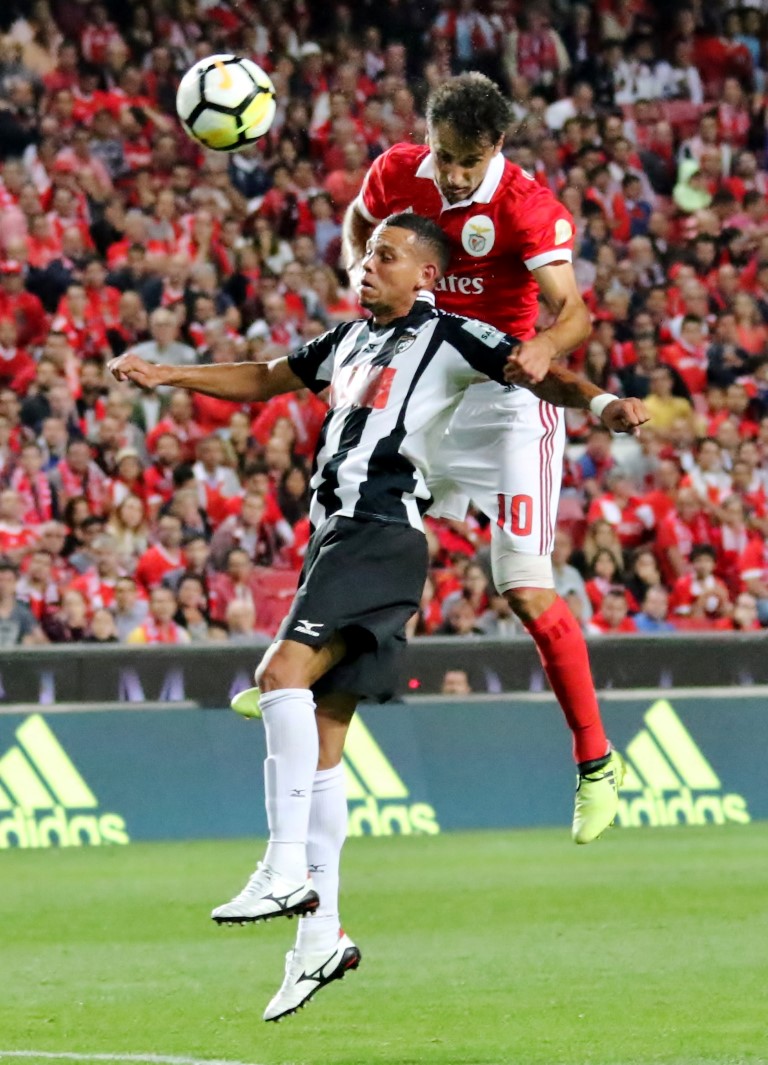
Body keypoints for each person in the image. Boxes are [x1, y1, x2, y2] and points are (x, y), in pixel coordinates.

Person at [111, 212, 647, 1023]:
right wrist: (167, 374)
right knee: (324, 741)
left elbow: (537, 375)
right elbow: (264, 373)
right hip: (341, 536)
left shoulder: (454, 335)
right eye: (366, 254)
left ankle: (283, 863)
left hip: (381, 529)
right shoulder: (347, 341)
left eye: (387, 257)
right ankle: (318, 937)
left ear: (427, 275)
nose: (367, 266)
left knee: (279, 675)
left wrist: (603, 402)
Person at [343, 72, 629, 840]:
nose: (455, 173)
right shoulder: (402, 169)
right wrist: (357, 280)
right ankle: (298, 670)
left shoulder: (527, 206)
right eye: (446, 156)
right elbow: (360, 219)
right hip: (429, 382)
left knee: (523, 586)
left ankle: (597, 761)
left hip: (508, 399)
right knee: (355, 507)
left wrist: (541, 346)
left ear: (497, 145)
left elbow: (574, 312)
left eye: (469, 160)